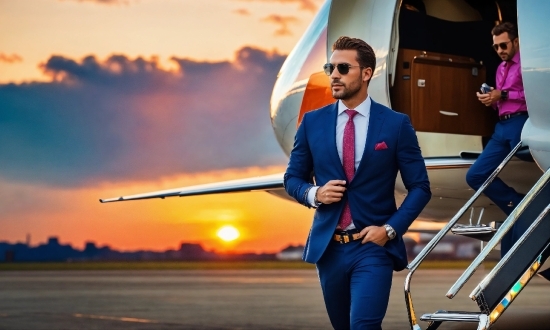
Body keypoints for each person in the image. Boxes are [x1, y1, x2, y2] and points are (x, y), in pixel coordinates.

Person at [283, 36, 431, 330]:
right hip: (330, 249)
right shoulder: (312, 122)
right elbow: (292, 179)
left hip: (373, 246)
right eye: (330, 67)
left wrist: (390, 230)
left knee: (363, 326)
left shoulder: (395, 124)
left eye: (342, 68)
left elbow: (420, 187)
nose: (334, 74)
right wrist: (315, 193)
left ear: (366, 74)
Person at [468, 22, 528, 257]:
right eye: (495, 47)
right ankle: (518, 203)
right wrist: (490, 98)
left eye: (503, 45)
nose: (500, 50)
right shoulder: (501, 68)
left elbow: (530, 94)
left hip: (521, 122)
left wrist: (501, 94)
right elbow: (502, 98)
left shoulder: (526, 64)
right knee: (475, 175)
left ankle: (525, 210)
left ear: (515, 41)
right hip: (501, 125)